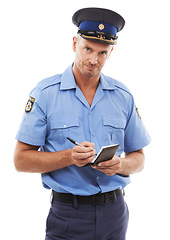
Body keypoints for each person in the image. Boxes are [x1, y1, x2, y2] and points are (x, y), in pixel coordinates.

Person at [14, 7, 151, 240]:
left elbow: (139, 159)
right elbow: (21, 160)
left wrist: (120, 165)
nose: (93, 60)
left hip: (115, 214)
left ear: (111, 53)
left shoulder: (123, 96)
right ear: (74, 43)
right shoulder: (46, 94)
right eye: (88, 48)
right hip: (68, 215)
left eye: (102, 53)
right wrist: (69, 157)